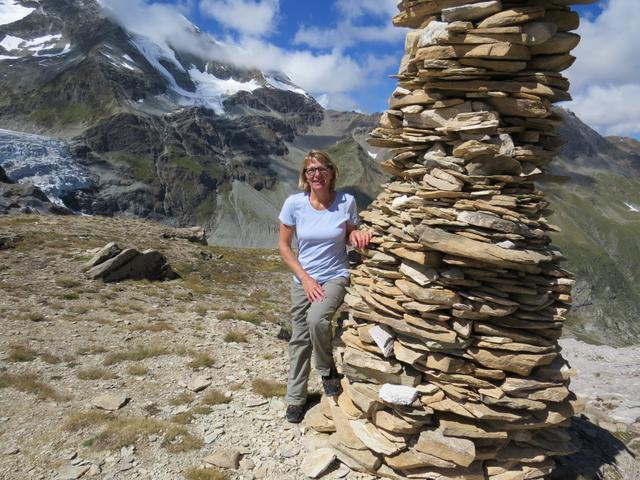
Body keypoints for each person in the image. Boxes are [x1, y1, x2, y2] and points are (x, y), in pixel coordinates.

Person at [278, 150, 373, 424]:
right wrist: (306, 279)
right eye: (311, 170)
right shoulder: (294, 204)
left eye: (322, 169)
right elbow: (284, 246)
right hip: (303, 279)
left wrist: (357, 235)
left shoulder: (346, 201)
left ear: (332, 172)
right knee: (299, 339)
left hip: (334, 275)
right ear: (305, 176)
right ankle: (295, 398)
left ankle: (326, 369)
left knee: (317, 319)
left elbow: (349, 234)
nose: (316, 174)